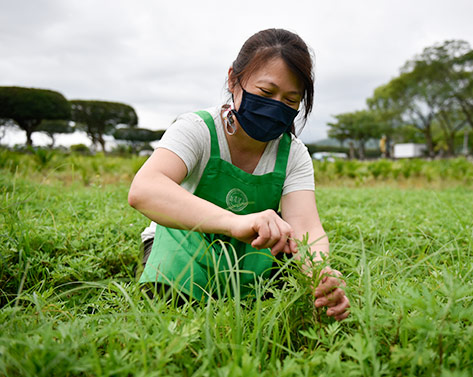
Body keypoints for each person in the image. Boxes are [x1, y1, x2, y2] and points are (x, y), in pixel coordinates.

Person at [128, 28, 349, 321]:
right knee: (172, 309)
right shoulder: (197, 129)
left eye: (290, 100)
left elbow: (307, 226)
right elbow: (144, 190)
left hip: (250, 252)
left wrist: (320, 273)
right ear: (234, 79)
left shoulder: (293, 153)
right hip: (181, 245)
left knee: (281, 296)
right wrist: (235, 223)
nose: (275, 106)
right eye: (266, 93)